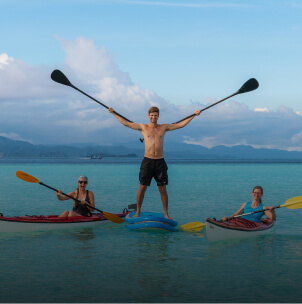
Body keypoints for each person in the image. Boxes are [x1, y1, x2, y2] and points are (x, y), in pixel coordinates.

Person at [108, 106, 201, 219]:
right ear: (149, 116)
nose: (153, 117)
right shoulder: (143, 127)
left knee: (163, 189)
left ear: (158, 116)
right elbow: (126, 123)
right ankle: (138, 211)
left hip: (160, 162)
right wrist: (113, 113)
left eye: (155, 115)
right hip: (147, 161)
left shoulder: (164, 127)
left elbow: (181, 125)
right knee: (142, 188)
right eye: (151, 115)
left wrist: (194, 115)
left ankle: (166, 214)